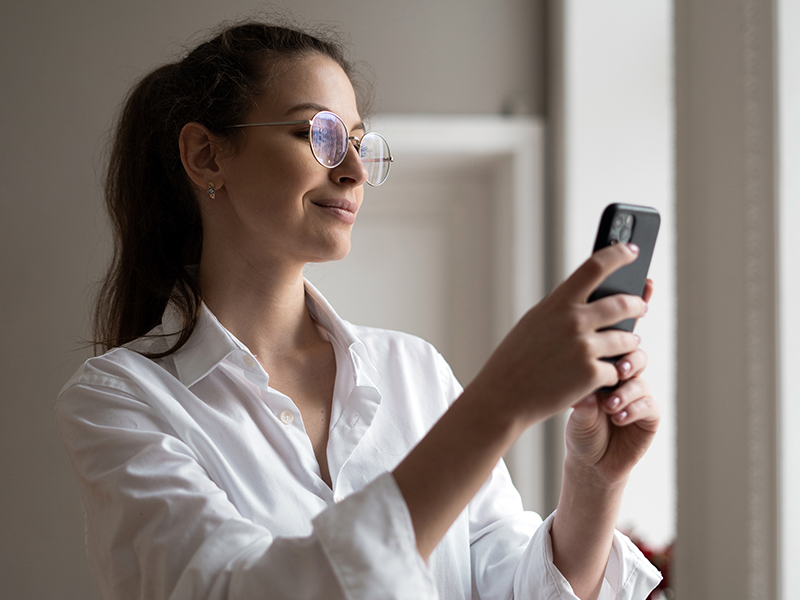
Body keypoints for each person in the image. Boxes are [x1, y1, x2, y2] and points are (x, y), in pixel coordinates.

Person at [56, 20, 662, 600]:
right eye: (316, 134)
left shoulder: (414, 370)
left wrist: (594, 479)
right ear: (207, 156)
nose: (352, 172)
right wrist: (499, 402)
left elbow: (513, 590)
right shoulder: (121, 401)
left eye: (356, 142)